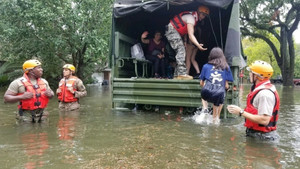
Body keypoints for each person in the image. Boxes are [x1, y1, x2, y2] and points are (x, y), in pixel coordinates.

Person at [227, 60, 280, 140]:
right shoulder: (258, 89)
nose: (249, 74)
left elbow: (264, 120)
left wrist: (241, 112)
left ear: (256, 76)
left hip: (263, 138)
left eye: (251, 72)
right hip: (257, 134)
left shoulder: (265, 94)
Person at [165, 5, 209, 80]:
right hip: (172, 30)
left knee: (180, 50)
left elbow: (185, 31)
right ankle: (182, 73)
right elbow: (191, 35)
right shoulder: (191, 18)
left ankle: (177, 75)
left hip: (175, 32)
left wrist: (185, 41)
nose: (203, 17)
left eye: (205, 15)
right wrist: (198, 45)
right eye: (203, 14)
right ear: (198, 12)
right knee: (181, 50)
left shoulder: (192, 18)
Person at [199, 47, 233, 124]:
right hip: (218, 94)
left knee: (204, 91)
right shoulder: (226, 67)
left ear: (211, 56)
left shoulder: (205, 66)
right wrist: (228, 89)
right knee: (215, 119)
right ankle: (216, 119)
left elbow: (201, 83)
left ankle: (205, 108)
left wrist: (206, 86)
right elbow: (226, 86)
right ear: (222, 56)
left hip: (206, 92)